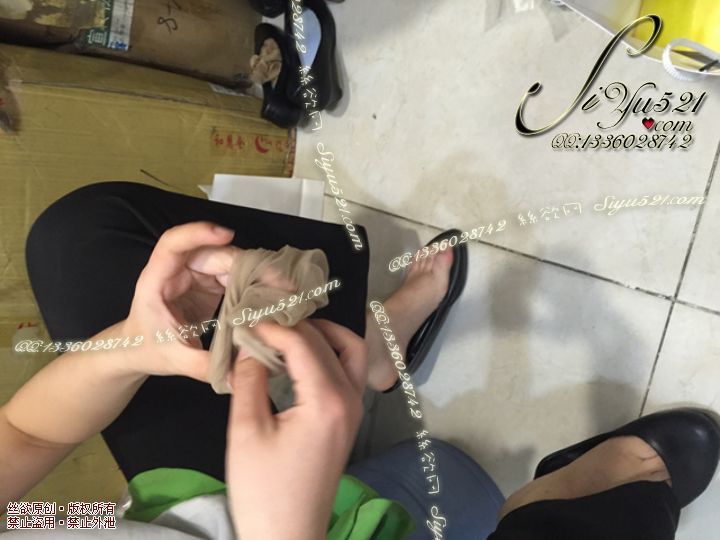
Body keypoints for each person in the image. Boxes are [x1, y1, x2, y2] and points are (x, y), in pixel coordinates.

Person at [1, 182, 719, 539]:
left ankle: (375, 350)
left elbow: (22, 440)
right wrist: (284, 527)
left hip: (185, 510)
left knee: (80, 237)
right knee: (582, 526)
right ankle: (546, 507)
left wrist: (133, 346)